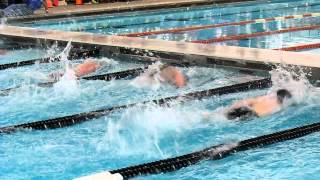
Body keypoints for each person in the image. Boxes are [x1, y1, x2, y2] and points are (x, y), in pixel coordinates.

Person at [225, 89, 292, 120]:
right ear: (285, 99)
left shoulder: (262, 98)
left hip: (245, 108)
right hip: (253, 114)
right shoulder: (278, 106)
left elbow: (245, 102)